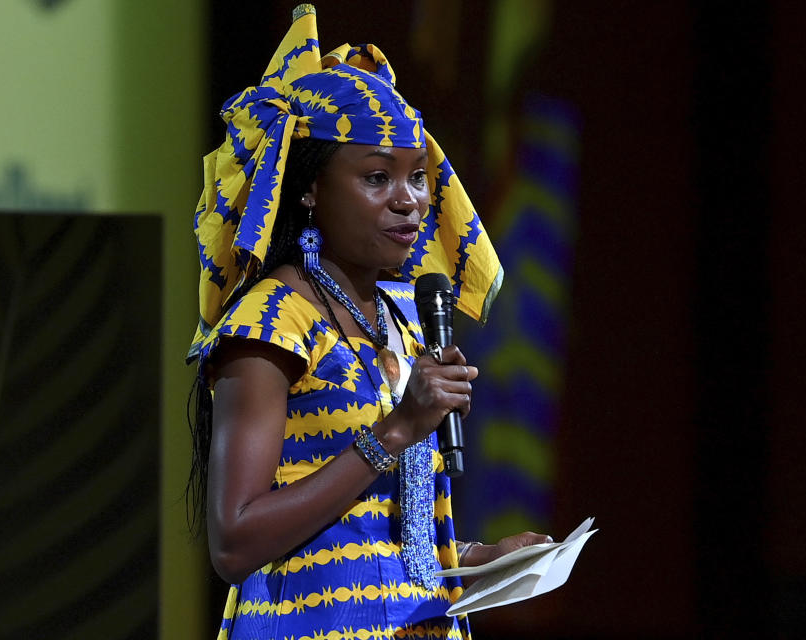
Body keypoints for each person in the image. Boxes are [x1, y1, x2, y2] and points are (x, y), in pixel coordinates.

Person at [186, 5, 550, 639]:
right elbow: (235, 541)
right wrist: (397, 430)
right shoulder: (271, 321)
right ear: (308, 190)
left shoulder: (404, 321)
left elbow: (380, 534)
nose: (409, 202)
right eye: (377, 178)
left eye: (417, 179)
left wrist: (472, 561)